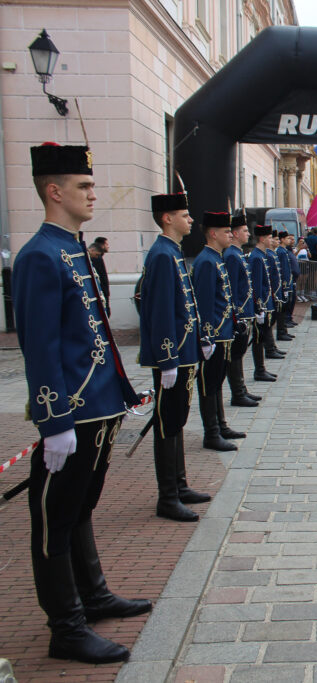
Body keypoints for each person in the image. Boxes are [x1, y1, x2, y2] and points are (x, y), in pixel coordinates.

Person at [14, 143, 150, 664]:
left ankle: (92, 596)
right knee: (54, 519)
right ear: (54, 191)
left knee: (79, 508)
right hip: (72, 411)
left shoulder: (73, 249)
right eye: (84, 186)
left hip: (99, 405)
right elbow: (40, 344)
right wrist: (53, 421)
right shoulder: (40, 255)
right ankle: (66, 627)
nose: (94, 194)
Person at [139, 190, 214, 525]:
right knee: (167, 423)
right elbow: (159, 311)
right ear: (167, 218)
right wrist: (167, 358)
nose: (191, 220)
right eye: (185, 215)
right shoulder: (161, 255)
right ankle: (167, 496)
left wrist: (198, 339)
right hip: (174, 355)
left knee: (176, 421)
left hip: (184, 351)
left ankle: (179, 485)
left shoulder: (172, 251)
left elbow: (186, 306)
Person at [192, 212, 243, 451]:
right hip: (214, 335)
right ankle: (211, 433)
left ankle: (220, 425)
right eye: (226, 232)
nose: (230, 235)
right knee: (209, 384)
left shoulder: (216, 258)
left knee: (217, 381)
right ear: (213, 234)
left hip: (223, 332)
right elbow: (204, 303)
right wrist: (207, 336)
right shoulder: (206, 260)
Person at [224, 214, 261, 407]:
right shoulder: (231, 255)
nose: (248, 234)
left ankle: (242, 389)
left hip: (245, 310)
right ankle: (237, 393)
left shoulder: (237, 253)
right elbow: (231, 287)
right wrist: (237, 314)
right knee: (236, 355)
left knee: (239, 354)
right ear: (236, 233)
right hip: (238, 313)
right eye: (245, 231)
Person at [249, 225, 280, 383]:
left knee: (261, 336)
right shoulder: (256, 257)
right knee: (258, 337)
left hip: (266, 302)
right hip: (261, 305)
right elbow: (256, 285)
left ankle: (261, 369)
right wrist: (259, 306)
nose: (271, 240)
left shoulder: (262, 255)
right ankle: (259, 370)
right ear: (262, 239)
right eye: (269, 237)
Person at [87, 237, 111, 315]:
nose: (108, 246)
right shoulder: (96, 259)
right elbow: (100, 277)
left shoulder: (96, 258)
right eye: (106, 244)